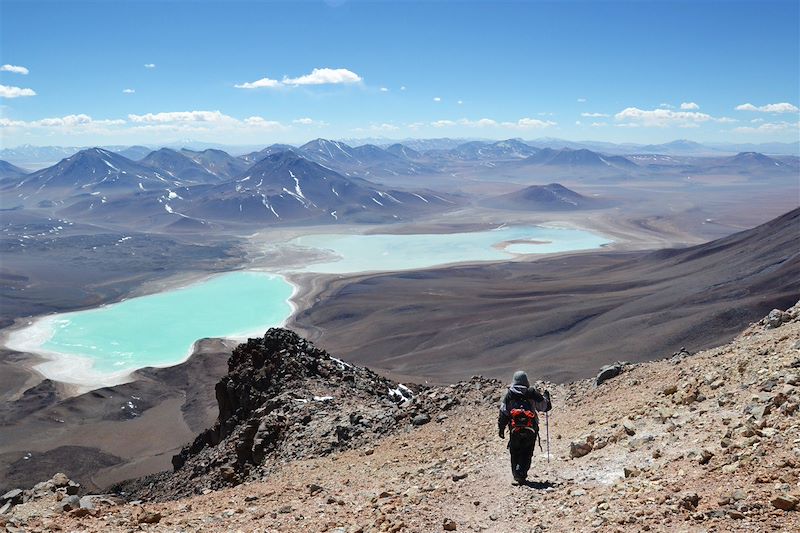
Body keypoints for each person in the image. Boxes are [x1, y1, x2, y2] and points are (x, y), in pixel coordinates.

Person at [497, 370, 551, 485]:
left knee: (515, 450)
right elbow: (545, 407)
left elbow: (504, 413)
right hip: (530, 428)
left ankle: (516, 474)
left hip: (514, 428)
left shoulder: (510, 394)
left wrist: (501, 429)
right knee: (527, 451)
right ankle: (522, 474)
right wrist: (546, 397)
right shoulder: (531, 392)